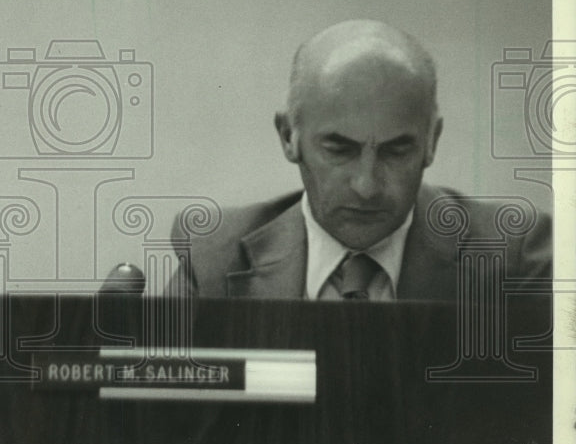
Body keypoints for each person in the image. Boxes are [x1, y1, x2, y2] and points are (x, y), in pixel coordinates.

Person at [167, 20, 551, 301]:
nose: (367, 185)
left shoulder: (513, 258)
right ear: (288, 137)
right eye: (339, 149)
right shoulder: (215, 258)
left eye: (396, 150)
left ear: (432, 142)